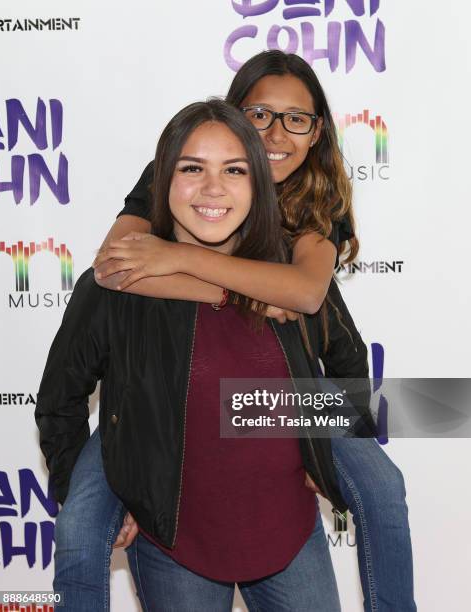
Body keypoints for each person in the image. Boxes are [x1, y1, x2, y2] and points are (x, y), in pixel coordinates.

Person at [92, 51, 415, 611]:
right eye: (260, 114)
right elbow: (114, 267)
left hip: (303, 387)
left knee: (383, 488)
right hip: (171, 391)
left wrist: (174, 257)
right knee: (81, 524)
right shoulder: (188, 167)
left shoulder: (317, 196)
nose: (276, 132)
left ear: (317, 133)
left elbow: (306, 293)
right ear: (235, 114)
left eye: (297, 118)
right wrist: (243, 294)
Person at [35, 99, 366, 611]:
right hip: (173, 545)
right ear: (162, 183)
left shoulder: (291, 283)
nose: (214, 188)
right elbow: (60, 399)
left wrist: (324, 452)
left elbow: (348, 367)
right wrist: (94, 493)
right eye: (192, 169)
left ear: (259, 185)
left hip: (290, 535)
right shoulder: (118, 286)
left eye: (234, 170)